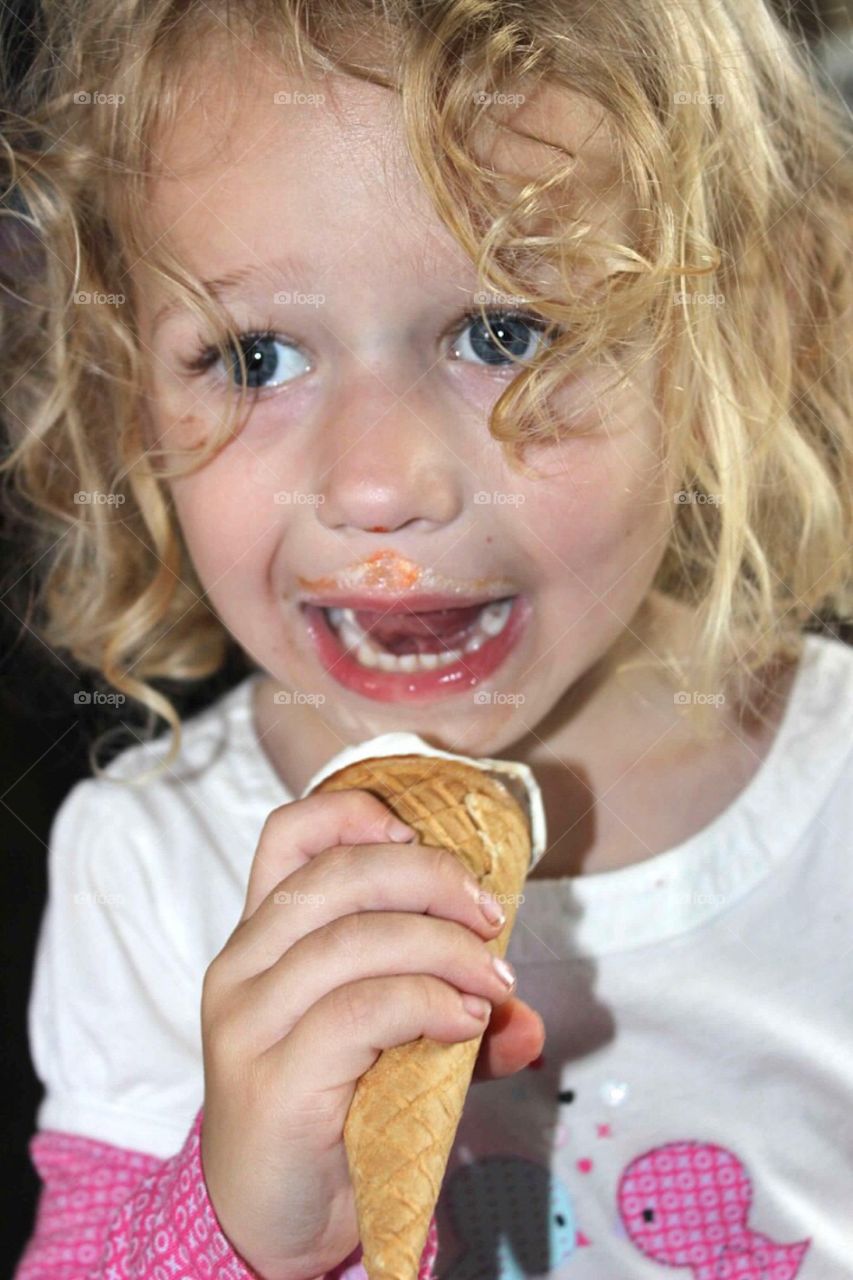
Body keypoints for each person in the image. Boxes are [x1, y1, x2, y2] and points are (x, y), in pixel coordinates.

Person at [3, 0, 851, 1274]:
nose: (373, 484)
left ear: (731, 329)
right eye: (255, 355)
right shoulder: (154, 868)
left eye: (503, 335)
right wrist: (242, 1226)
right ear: (123, 381)